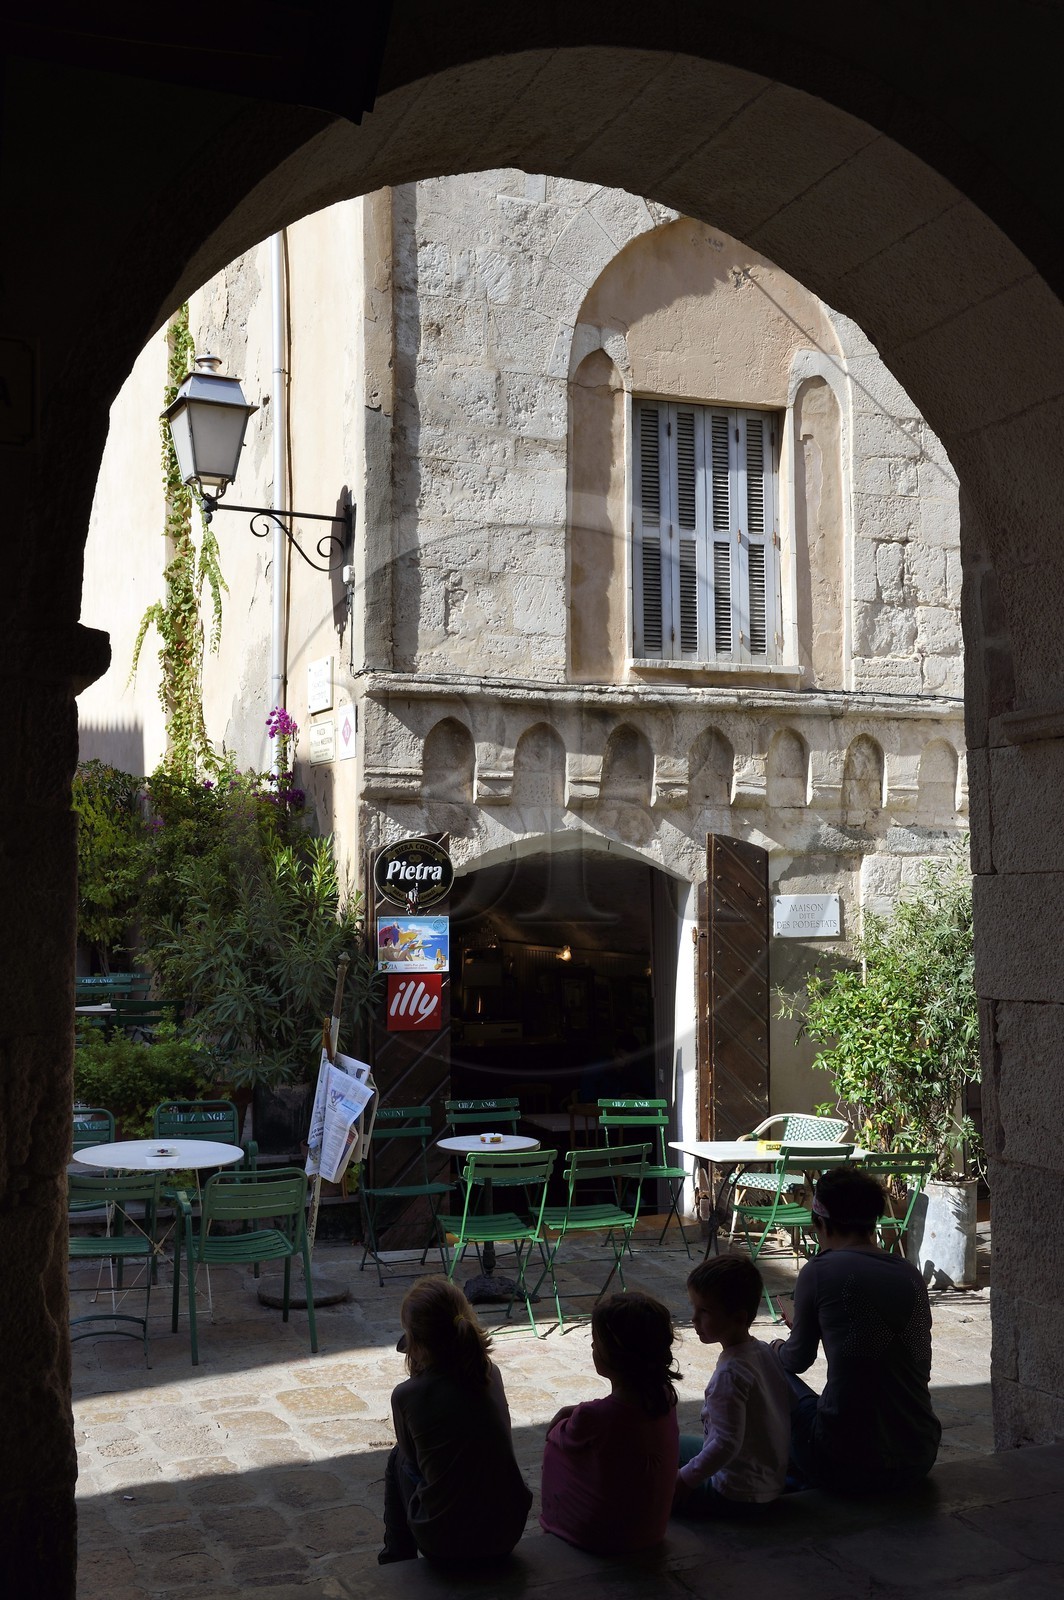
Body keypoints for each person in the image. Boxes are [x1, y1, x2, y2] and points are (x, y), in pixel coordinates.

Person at [774, 1166, 942, 1495]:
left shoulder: (819, 1271)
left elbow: (796, 1359)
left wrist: (779, 1345)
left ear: (820, 1224)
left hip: (846, 1461)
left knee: (765, 1361)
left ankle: (757, 1471)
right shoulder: (910, 1273)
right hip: (918, 1456)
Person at [379, 1276, 532, 1565]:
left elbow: (413, 1460)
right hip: (506, 1532)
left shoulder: (407, 1394)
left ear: (416, 1343)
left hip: (446, 1543)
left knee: (398, 1458)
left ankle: (396, 1560)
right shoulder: (491, 1374)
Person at [540, 1291, 681, 1553]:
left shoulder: (594, 1417)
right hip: (651, 1531)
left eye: (596, 1343)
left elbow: (558, 1435)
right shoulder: (665, 1397)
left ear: (614, 1354)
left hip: (604, 1538)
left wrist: (567, 1417)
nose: (593, 1348)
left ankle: (559, 1519)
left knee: (555, 1449)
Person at [674, 1255, 791, 1517]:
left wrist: (684, 1480)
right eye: (694, 1308)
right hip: (766, 1479)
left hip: (736, 1493)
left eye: (704, 1311)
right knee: (671, 1444)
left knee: (652, 1483)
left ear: (738, 1318)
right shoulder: (763, 1351)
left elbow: (725, 1444)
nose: (693, 1318)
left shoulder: (731, 1373)